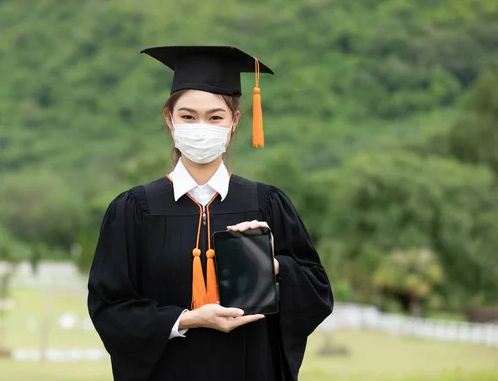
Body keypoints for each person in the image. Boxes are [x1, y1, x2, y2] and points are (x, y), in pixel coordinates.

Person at [87, 46, 333, 381]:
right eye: (188, 116)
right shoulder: (134, 211)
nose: (201, 126)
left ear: (234, 122)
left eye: (215, 117)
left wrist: (270, 261)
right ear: (169, 120)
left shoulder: (267, 204)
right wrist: (186, 319)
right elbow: (109, 309)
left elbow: (317, 293)